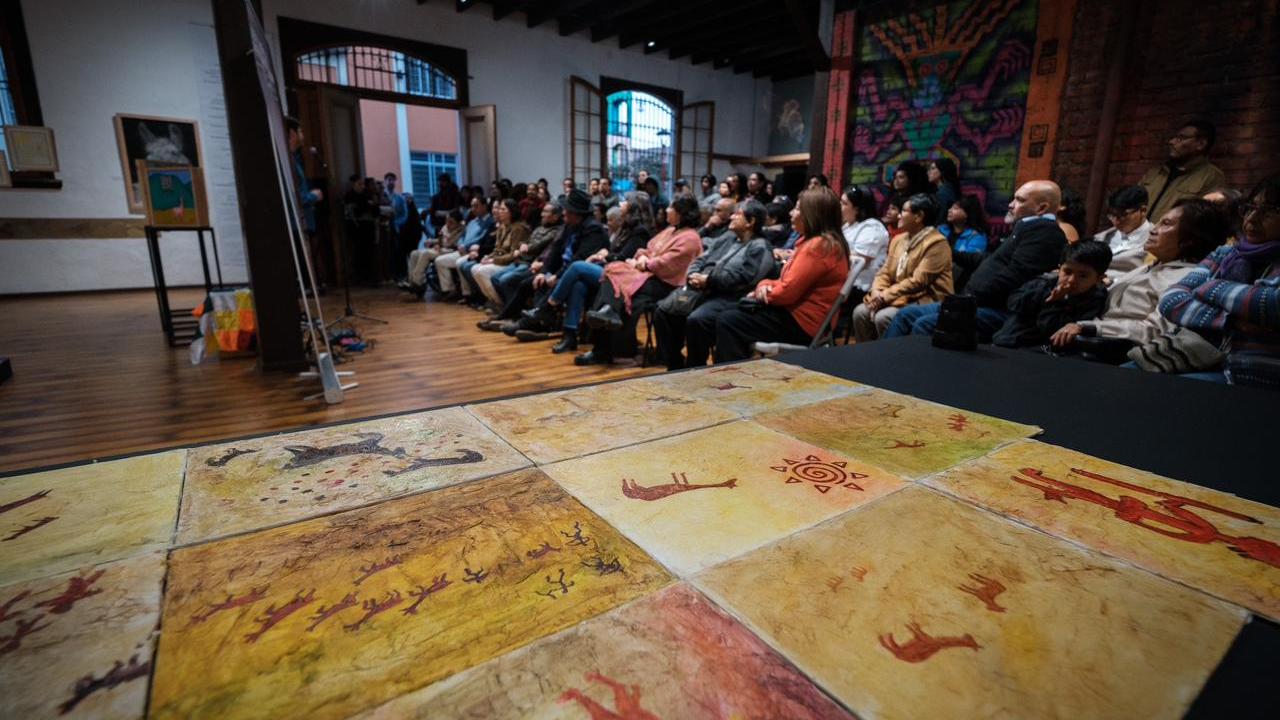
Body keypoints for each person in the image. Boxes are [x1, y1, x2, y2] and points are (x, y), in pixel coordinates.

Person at [885, 180, 1067, 340]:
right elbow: (987, 260)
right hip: (975, 303)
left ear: (1041, 208)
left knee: (925, 324)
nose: (1011, 204)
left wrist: (969, 298)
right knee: (905, 315)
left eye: (1020, 200)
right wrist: (950, 252)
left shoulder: (1045, 233)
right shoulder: (1026, 229)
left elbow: (1015, 276)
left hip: (997, 310)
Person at [1048, 198, 1227, 352]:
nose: (1152, 229)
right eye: (1158, 222)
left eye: (1166, 224)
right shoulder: (1150, 266)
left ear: (1190, 239)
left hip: (1109, 350)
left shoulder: (1186, 279)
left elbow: (1154, 331)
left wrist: (1088, 327)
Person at [1158, 175, 1280, 387]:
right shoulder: (1226, 253)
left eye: (1269, 212)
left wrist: (1208, 288)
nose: (1252, 219)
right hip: (1196, 356)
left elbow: (1270, 302)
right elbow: (1171, 300)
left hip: (1253, 374)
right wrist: (1229, 321)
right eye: (1250, 208)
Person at [714, 187, 851, 361]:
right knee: (732, 313)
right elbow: (786, 282)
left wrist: (761, 289)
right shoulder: (823, 242)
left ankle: (734, 379)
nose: (792, 213)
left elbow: (786, 292)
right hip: (803, 318)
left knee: (729, 321)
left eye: (798, 209)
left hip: (802, 324)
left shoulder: (819, 246)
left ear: (813, 214)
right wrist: (764, 285)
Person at [574, 196, 703, 366]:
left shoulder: (690, 238)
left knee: (617, 285)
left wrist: (645, 263)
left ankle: (606, 343)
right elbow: (649, 248)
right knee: (612, 275)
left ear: (681, 214)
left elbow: (668, 263)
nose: (666, 210)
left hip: (666, 283)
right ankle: (606, 324)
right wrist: (643, 257)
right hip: (649, 275)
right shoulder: (671, 230)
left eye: (671, 207)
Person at [519, 192, 655, 352]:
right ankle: (569, 336)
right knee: (578, 285)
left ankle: (547, 307)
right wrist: (604, 254)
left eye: (625, 201)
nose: (620, 204)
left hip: (622, 279)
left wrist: (604, 255)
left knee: (577, 266)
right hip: (611, 271)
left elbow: (624, 258)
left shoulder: (640, 231)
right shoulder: (625, 227)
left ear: (634, 207)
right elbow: (615, 254)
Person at [657, 199, 775, 370]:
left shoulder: (760, 247)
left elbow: (746, 279)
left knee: (697, 320)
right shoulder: (728, 238)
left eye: (738, 214)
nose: (732, 217)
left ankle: (695, 368)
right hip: (707, 289)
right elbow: (702, 258)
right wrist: (693, 275)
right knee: (664, 311)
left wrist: (709, 280)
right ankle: (675, 365)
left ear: (751, 222)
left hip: (732, 298)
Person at [852, 194, 952, 342]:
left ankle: (888, 360)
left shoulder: (937, 244)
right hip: (896, 297)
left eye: (904, 211)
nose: (898, 215)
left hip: (924, 301)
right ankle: (866, 359)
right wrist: (877, 292)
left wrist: (885, 296)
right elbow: (885, 272)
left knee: (883, 317)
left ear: (918, 216)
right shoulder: (899, 240)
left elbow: (918, 281)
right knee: (860, 312)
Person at [993, 241, 1112, 348]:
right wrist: (1044, 296)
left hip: (1040, 350)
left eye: (1083, 276)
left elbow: (1050, 330)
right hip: (1008, 339)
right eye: (1067, 272)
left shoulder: (1093, 300)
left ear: (1098, 279)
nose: (1071, 280)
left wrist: (1054, 303)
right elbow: (1013, 303)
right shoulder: (1045, 282)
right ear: (1059, 269)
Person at [1139, 120, 1225, 222]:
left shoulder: (1211, 177)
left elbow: (1203, 219)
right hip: (1136, 236)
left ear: (1201, 144)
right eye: (1175, 137)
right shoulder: (1156, 172)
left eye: (1181, 138)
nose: (1172, 142)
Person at [470, 198, 532, 308]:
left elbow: (514, 254)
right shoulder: (503, 226)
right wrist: (488, 257)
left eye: (503, 209)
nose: (499, 211)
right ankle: (493, 300)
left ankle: (501, 304)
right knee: (475, 268)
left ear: (511, 212)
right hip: (500, 259)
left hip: (511, 263)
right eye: (499, 209)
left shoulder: (519, 228)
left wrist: (493, 260)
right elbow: (497, 249)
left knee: (481, 271)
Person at [285, 117, 324, 288]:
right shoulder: (288, 161)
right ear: (292, 133)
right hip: (295, 222)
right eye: (300, 131)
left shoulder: (294, 159)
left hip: (302, 220)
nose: (303, 135)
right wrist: (313, 196)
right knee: (300, 262)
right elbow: (295, 196)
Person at [433, 196, 495, 300]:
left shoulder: (489, 222)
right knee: (439, 261)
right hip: (462, 249)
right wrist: (461, 244)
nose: (473, 209)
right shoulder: (472, 221)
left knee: (460, 263)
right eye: (472, 206)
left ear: (484, 206)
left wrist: (465, 246)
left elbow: (481, 238)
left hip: (474, 250)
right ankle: (449, 290)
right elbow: (463, 235)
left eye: (476, 206)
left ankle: (467, 294)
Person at [841, 186, 890, 306]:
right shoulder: (848, 225)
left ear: (856, 209)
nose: (839, 206)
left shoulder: (872, 227)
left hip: (860, 287)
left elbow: (859, 261)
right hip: (842, 282)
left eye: (844, 203)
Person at [1093, 186, 1153, 277]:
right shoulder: (1102, 237)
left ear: (1143, 210)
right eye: (1112, 215)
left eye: (1123, 215)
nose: (1116, 221)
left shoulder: (1155, 240)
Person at [401, 208, 463, 295]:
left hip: (451, 251)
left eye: (451, 222)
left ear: (458, 223)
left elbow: (453, 245)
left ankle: (418, 281)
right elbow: (440, 240)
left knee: (426, 253)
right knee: (414, 253)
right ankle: (412, 282)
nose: (448, 224)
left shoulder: (461, 230)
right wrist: (432, 241)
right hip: (440, 249)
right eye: (447, 221)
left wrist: (440, 247)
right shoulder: (445, 227)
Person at [939, 195, 990, 292]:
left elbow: (968, 263)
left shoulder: (976, 237)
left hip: (959, 283)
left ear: (967, 214)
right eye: (950, 207)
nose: (949, 210)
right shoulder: (941, 229)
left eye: (955, 208)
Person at [928, 158, 961, 225]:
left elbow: (941, 218)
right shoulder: (946, 189)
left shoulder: (944, 193)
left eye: (933, 168)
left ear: (942, 171)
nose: (928, 172)